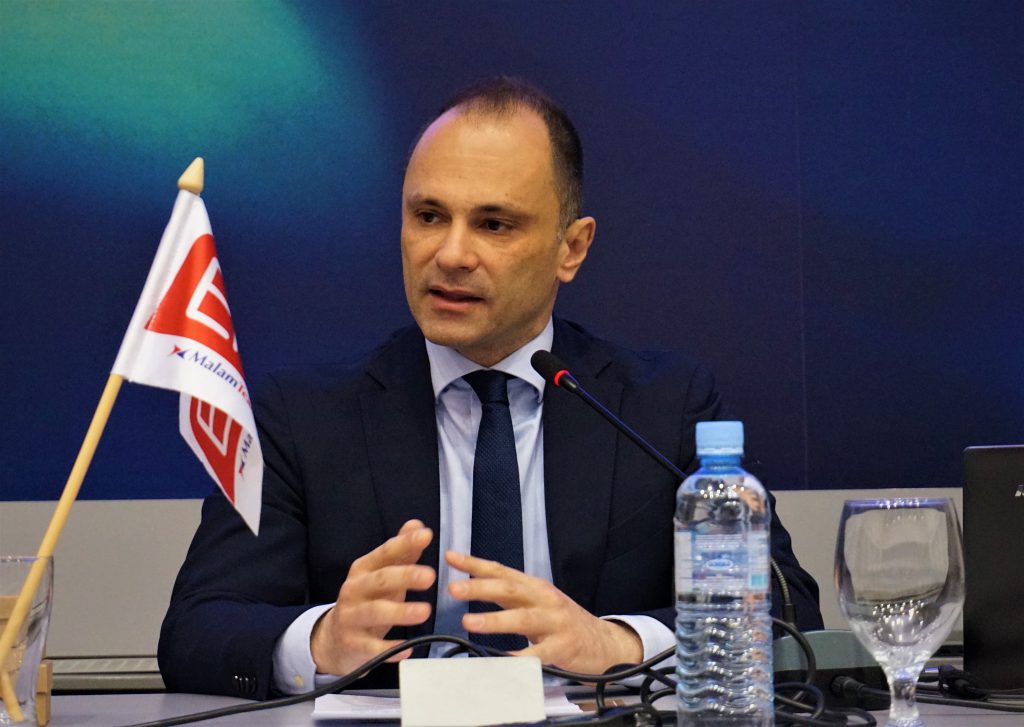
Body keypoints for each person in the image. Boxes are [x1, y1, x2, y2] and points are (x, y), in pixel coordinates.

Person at [158, 77, 823, 699]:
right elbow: (196, 629)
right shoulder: (301, 417)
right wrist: (321, 640)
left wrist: (615, 644)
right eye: (428, 215)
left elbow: (789, 615)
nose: (450, 254)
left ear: (572, 248)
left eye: (494, 224)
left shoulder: (662, 406)